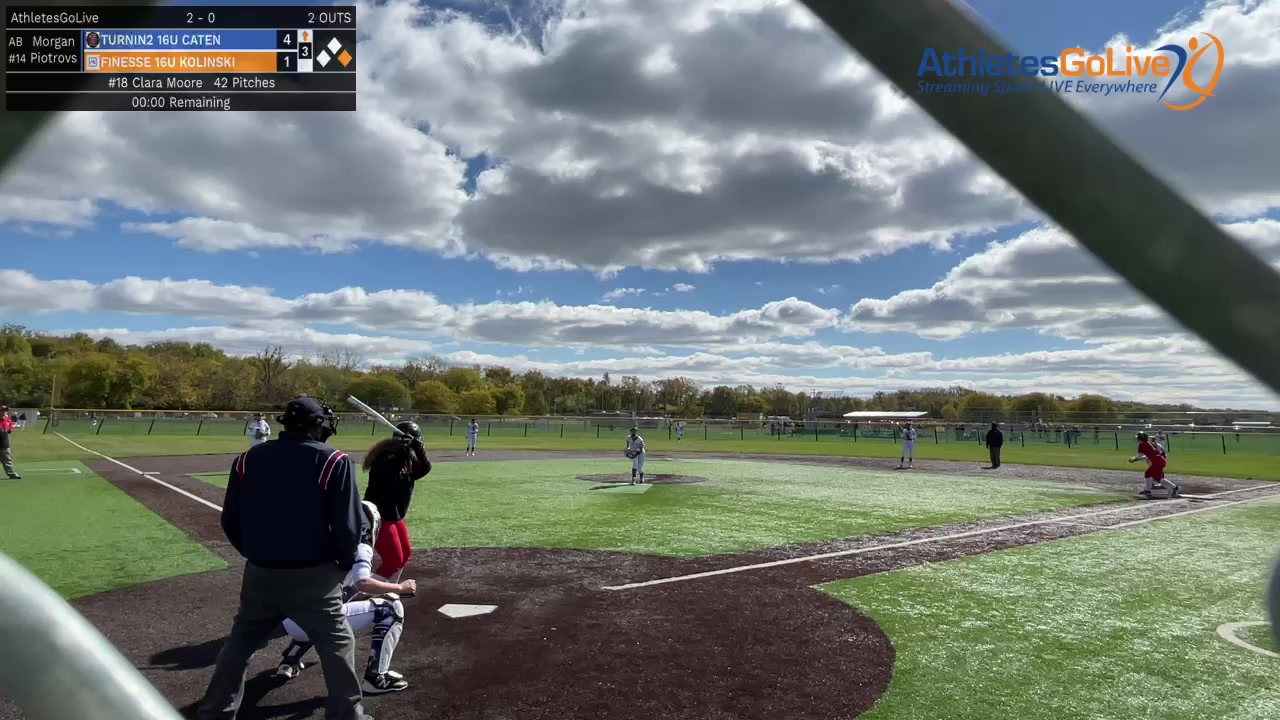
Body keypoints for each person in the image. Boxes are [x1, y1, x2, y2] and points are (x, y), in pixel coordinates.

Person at [196, 397, 371, 720]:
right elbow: (348, 526)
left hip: (260, 572)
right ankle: (346, 714)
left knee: (241, 643)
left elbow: (229, 519)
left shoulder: (247, 459)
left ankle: (215, 712)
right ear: (317, 424)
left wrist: (254, 554)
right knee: (337, 642)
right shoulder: (334, 460)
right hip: (315, 575)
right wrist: (344, 565)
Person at [277, 501, 418, 695]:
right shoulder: (360, 547)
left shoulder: (316, 541)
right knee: (391, 608)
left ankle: (291, 659)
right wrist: (400, 587)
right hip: (315, 622)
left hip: (287, 619)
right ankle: (377, 678)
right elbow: (363, 582)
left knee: (332, 600)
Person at [363, 421, 431, 583]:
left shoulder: (406, 457)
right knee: (393, 560)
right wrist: (405, 450)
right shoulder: (386, 458)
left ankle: (389, 589)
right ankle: (363, 591)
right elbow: (392, 477)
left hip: (393, 516)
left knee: (405, 554)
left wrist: (419, 451)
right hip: (379, 516)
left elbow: (423, 470)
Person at [1129, 431, 1180, 499]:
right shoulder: (1150, 443)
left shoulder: (1142, 445)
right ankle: (1175, 488)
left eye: (1138, 438)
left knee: (1148, 474)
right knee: (1160, 479)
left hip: (1157, 461)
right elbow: (1149, 455)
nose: (1137, 440)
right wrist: (1135, 459)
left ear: (1141, 439)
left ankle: (1148, 492)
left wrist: (1134, 459)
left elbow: (1140, 456)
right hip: (1161, 460)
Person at [0, 406, 19, 479]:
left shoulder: (8, 421)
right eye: (2, 410)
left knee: (7, 459)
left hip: (4, 444)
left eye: (5, 411)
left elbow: (9, 431)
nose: (4, 412)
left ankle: (11, 473)